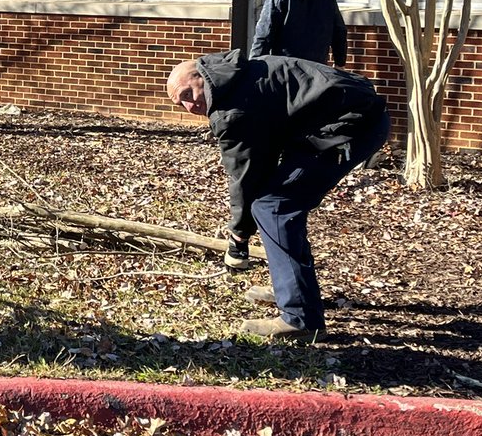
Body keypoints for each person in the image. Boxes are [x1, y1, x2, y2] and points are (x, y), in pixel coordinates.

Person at [166, 50, 389, 339]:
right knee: (277, 203)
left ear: (200, 76)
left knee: (274, 208)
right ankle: (290, 288)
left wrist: (239, 235)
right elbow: (262, 159)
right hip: (345, 118)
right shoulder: (242, 71)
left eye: (188, 94)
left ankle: (301, 319)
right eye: (180, 103)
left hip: (351, 127)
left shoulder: (232, 111)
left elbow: (244, 177)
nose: (189, 106)